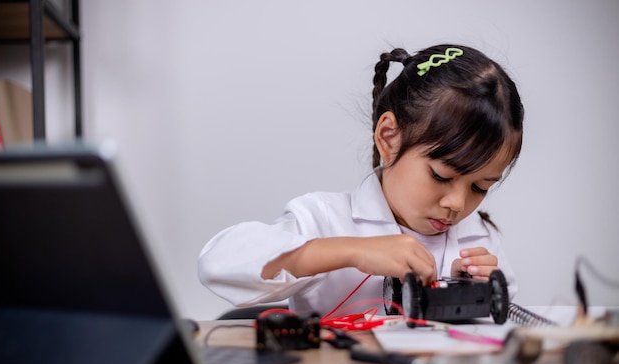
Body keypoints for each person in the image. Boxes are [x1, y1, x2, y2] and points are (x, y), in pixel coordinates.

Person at [198, 44, 524, 317]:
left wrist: (466, 296)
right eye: (441, 176)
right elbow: (218, 265)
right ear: (389, 137)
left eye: (480, 187)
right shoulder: (324, 219)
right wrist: (354, 251)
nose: (457, 203)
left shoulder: (478, 238)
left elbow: (502, 324)